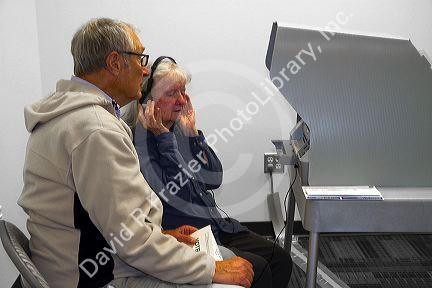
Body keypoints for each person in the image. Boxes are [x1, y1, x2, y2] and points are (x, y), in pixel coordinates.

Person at [18, 18, 254, 288]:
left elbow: (117, 220)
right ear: (115, 63)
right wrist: (208, 269)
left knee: (228, 259)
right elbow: (132, 239)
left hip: (81, 261)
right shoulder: (96, 130)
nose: (144, 71)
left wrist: (162, 233)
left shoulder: (70, 115)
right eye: (141, 58)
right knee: (231, 280)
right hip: (94, 276)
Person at [126, 57, 292, 288]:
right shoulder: (139, 144)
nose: (181, 100)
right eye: (172, 93)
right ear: (148, 102)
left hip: (219, 227)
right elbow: (178, 193)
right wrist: (165, 140)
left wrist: (194, 136)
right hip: (189, 236)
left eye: (183, 91)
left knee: (281, 259)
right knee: (259, 269)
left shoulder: (179, 131)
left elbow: (215, 177)